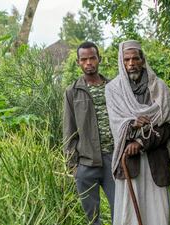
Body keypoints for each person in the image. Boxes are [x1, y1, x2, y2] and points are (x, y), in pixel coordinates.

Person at [105, 40, 170, 225]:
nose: (131, 64)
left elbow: (167, 126)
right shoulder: (113, 89)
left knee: (159, 216)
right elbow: (116, 125)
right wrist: (132, 124)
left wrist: (141, 143)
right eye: (126, 59)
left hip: (156, 161)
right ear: (121, 61)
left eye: (135, 59)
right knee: (129, 217)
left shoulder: (159, 88)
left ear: (143, 60)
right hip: (129, 163)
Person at [63, 41, 115, 225]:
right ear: (78, 62)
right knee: (92, 219)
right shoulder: (72, 91)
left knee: (122, 212)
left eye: (92, 58)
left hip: (113, 161)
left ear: (99, 59)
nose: (88, 63)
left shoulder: (113, 87)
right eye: (83, 59)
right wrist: (74, 167)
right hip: (86, 163)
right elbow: (68, 130)